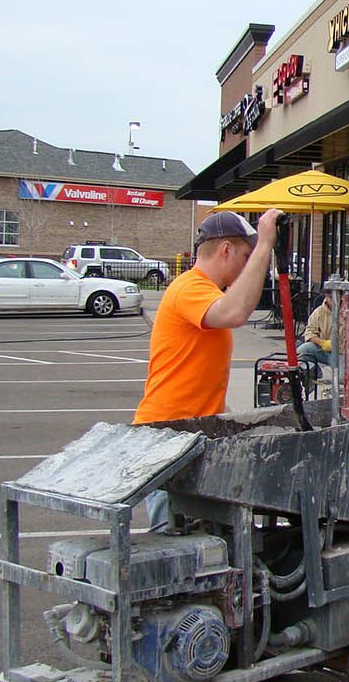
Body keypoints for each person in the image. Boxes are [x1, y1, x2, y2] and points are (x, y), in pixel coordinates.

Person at [135, 208, 284, 527]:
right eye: (245, 256)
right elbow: (235, 313)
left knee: (208, 542)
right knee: (177, 551)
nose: (248, 265)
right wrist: (264, 245)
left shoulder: (204, 291)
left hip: (193, 435)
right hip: (168, 438)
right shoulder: (190, 288)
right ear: (226, 250)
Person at [297, 292, 334, 372]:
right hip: (322, 350)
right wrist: (322, 343)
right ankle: (314, 372)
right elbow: (309, 332)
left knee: (342, 378)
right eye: (331, 297)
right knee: (303, 350)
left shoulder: (348, 312)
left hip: (341, 353)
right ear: (326, 297)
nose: (335, 300)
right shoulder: (319, 312)